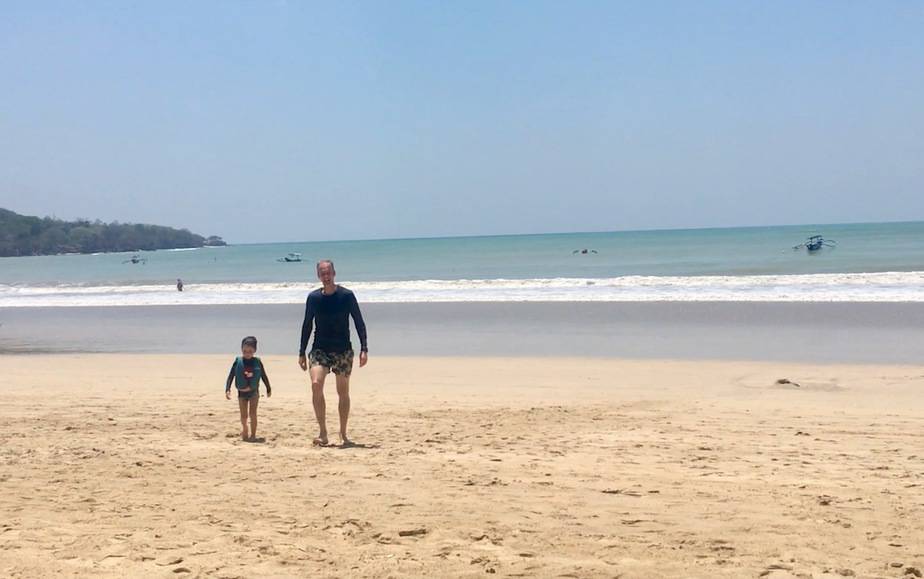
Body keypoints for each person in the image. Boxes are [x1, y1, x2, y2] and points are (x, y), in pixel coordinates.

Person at [298, 260, 368, 447]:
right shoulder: (313, 298)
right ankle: (322, 432)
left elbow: (359, 322)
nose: (326, 276)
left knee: (342, 392)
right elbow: (307, 325)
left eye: (328, 272)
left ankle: (343, 434)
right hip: (320, 349)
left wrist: (364, 348)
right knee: (315, 384)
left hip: (343, 350)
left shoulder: (346, 296)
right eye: (322, 273)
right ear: (318, 276)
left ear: (334, 273)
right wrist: (301, 352)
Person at [225, 336, 272, 441]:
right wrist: (227, 389)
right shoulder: (238, 362)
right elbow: (231, 375)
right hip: (241, 393)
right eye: (245, 351)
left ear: (254, 350)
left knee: (253, 413)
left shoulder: (257, 362)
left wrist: (268, 388)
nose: (247, 353)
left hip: (254, 392)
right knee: (244, 415)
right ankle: (245, 428)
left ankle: (253, 435)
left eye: (250, 351)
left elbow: (263, 375)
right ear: (241, 349)